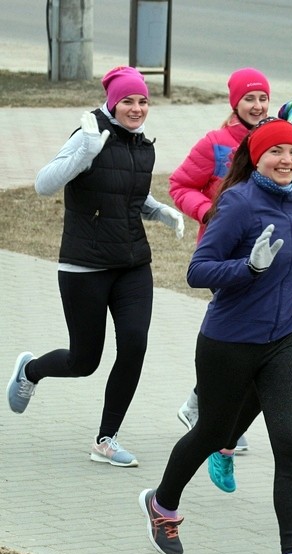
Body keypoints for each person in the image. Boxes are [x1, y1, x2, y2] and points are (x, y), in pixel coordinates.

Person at [138, 118, 292, 554]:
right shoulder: (237, 203)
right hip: (229, 341)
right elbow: (198, 270)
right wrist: (248, 268)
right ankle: (162, 504)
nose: (288, 160)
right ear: (258, 157)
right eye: (277, 153)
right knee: (213, 431)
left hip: (285, 337)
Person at [6, 66, 185, 467]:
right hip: (84, 266)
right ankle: (31, 371)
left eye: (143, 101)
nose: (136, 108)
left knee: (134, 345)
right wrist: (85, 150)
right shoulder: (87, 136)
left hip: (133, 264)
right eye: (128, 101)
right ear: (112, 102)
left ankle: (106, 439)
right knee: (83, 361)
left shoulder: (143, 146)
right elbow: (43, 184)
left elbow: (130, 197)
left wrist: (161, 212)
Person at [169, 67, 272, 455]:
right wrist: (208, 212)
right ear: (235, 102)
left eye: (263, 98)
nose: (258, 105)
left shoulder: (275, 137)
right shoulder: (215, 144)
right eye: (250, 98)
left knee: (243, 338)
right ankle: (210, 412)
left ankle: (201, 405)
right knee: (239, 338)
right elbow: (180, 184)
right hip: (225, 255)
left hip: (266, 253)